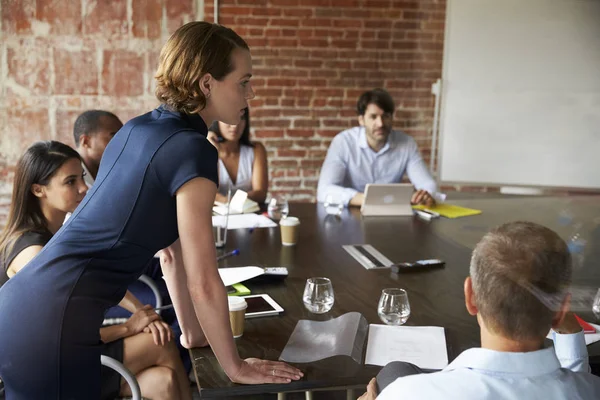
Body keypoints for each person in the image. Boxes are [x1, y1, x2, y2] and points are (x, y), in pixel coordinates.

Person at [0, 21, 301, 400]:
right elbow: (204, 280)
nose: (252, 92)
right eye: (244, 82)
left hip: (23, 309)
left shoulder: (135, 129)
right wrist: (236, 366)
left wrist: (192, 334)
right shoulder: (193, 150)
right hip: (53, 323)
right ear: (207, 84)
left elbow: (171, 253)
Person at [0, 141, 191, 400]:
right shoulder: (31, 253)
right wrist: (129, 327)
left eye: (82, 177)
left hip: (70, 354)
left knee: (164, 381)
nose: (84, 188)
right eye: (70, 182)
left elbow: (92, 281)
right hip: (47, 373)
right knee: (162, 342)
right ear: (38, 190)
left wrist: (140, 311)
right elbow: (57, 336)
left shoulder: (54, 234)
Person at [358, 221, 600, 399]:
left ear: (470, 296)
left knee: (395, 370)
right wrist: (570, 335)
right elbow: (574, 385)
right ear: (560, 310)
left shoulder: (405, 394)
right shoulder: (590, 389)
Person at [317, 88, 437, 207]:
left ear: (391, 118)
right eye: (373, 117)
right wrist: (366, 199)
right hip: (351, 213)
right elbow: (324, 191)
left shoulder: (407, 144)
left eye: (385, 116)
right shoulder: (343, 142)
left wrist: (425, 195)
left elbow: (428, 185)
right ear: (361, 120)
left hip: (390, 215)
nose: (380, 124)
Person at [207, 107, 268, 204]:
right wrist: (213, 151)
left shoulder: (256, 149)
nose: (235, 125)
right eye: (228, 119)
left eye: (241, 118)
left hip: (249, 214)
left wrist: (231, 201)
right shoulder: (207, 151)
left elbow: (260, 194)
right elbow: (209, 194)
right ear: (217, 120)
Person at [73, 110, 124, 187]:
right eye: (114, 137)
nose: (122, 144)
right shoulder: (67, 178)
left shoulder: (111, 173)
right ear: (86, 141)